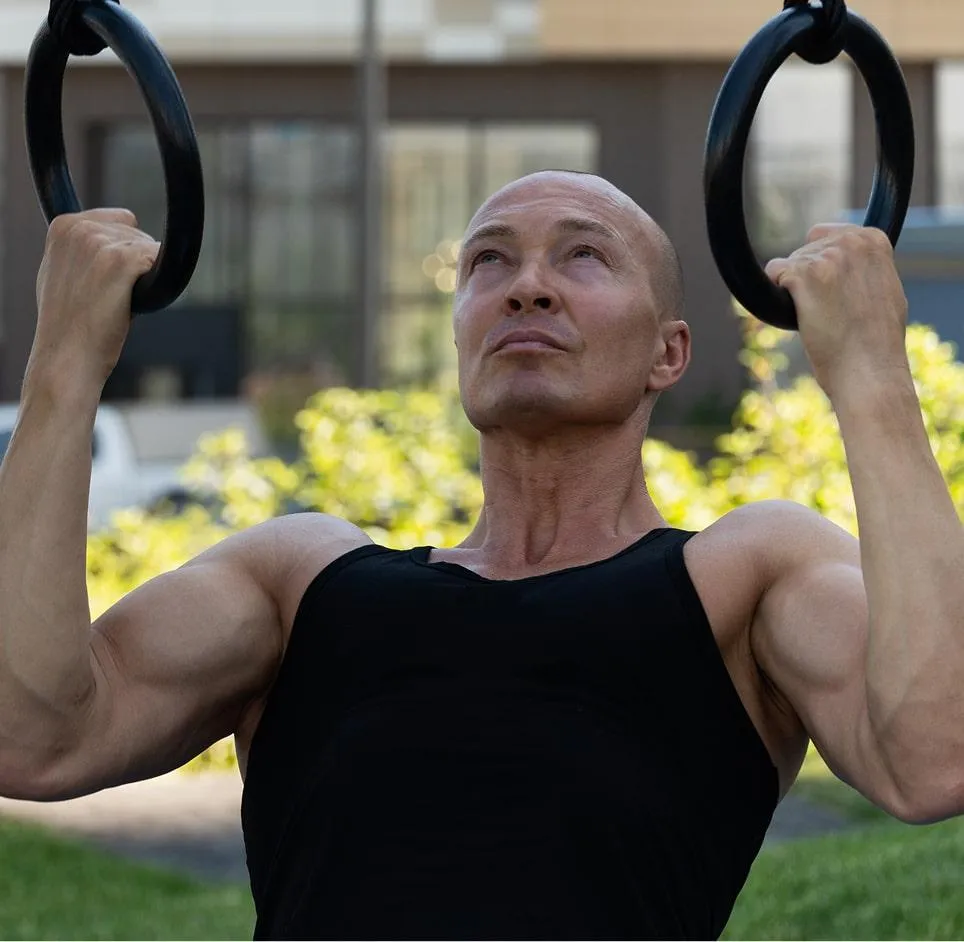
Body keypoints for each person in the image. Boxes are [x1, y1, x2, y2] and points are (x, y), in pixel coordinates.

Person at [1, 169, 962, 940]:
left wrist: (871, 374)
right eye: (488, 261)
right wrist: (66, 363)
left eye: (584, 255)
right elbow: (30, 737)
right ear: (460, 335)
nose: (526, 285)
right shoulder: (301, 582)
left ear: (667, 354)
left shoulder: (740, 576)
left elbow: (936, 757)